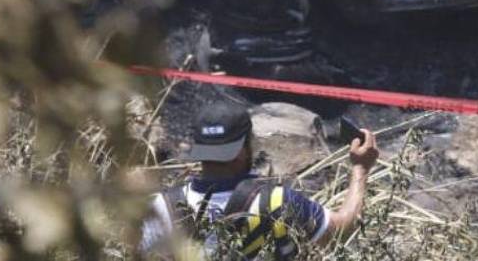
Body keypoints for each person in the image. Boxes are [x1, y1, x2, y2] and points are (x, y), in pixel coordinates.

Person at [140, 99, 379, 259]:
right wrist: (360, 169)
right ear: (244, 147)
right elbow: (340, 233)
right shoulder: (276, 202)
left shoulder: (159, 208)